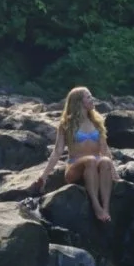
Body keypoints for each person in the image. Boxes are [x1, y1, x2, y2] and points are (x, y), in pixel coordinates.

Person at [34, 86, 117, 222]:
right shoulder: (66, 124)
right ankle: (97, 207)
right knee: (90, 160)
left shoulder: (96, 122)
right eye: (88, 97)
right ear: (79, 102)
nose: (92, 99)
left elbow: (105, 150)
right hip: (75, 168)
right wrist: (43, 176)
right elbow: (57, 152)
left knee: (105, 161)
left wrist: (115, 174)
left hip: (97, 165)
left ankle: (106, 208)